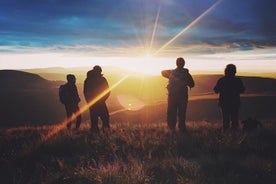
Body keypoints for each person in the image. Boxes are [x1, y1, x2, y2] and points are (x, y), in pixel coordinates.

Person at [161, 57, 195, 133]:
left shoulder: (172, 73)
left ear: (176, 63)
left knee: (171, 112)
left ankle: (171, 128)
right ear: (184, 64)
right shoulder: (186, 74)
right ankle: (182, 128)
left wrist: (173, 71)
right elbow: (192, 84)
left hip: (172, 96)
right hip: (183, 96)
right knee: (182, 113)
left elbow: (162, 72)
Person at [214, 64, 245, 132]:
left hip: (224, 102)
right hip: (235, 102)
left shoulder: (222, 80)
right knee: (234, 119)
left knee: (225, 119)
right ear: (234, 71)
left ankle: (226, 134)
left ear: (226, 71)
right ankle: (234, 135)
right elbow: (242, 90)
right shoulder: (237, 80)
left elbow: (216, 90)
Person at [84, 65, 110, 133]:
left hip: (92, 102)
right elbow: (107, 91)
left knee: (94, 117)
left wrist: (89, 101)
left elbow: (85, 92)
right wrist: (103, 99)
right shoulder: (102, 79)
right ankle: (105, 130)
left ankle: (94, 131)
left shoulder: (88, 80)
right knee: (105, 117)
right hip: (101, 102)